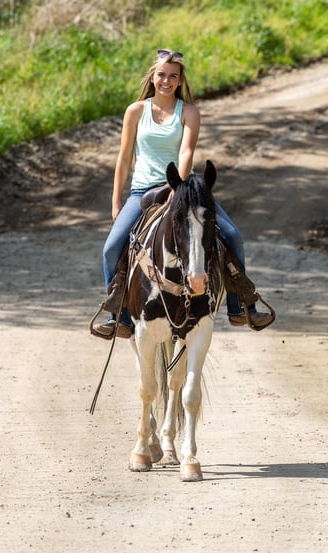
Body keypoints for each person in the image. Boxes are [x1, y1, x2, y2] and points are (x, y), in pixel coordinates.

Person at [94, 49, 272, 339]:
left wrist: (177, 187)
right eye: (161, 75)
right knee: (111, 248)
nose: (166, 80)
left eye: (172, 77)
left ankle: (241, 307)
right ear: (153, 76)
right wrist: (116, 201)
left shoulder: (188, 112)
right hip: (142, 190)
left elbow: (186, 151)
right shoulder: (135, 111)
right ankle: (120, 315)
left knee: (233, 235)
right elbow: (124, 158)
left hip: (181, 187)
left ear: (179, 81)